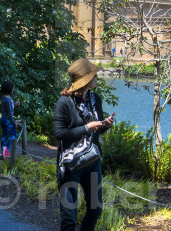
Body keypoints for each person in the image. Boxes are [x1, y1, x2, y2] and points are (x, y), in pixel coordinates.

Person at [53, 59, 114, 231]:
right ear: (85, 79)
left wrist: (105, 125)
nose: (96, 77)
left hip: (92, 160)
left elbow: (98, 131)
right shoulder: (64, 102)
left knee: (96, 209)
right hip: (70, 164)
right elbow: (58, 134)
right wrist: (86, 128)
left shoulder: (96, 99)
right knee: (69, 218)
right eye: (93, 74)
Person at [0, 80, 17, 159]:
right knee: (13, 135)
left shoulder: (5, 98)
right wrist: (13, 122)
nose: (13, 90)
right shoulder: (8, 100)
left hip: (3, 119)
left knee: (5, 135)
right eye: (12, 88)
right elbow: (9, 113)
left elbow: (8, 109)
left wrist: (15, 104)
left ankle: (3, 151)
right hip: (8, 121)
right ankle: (6, 150)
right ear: (9, 90)